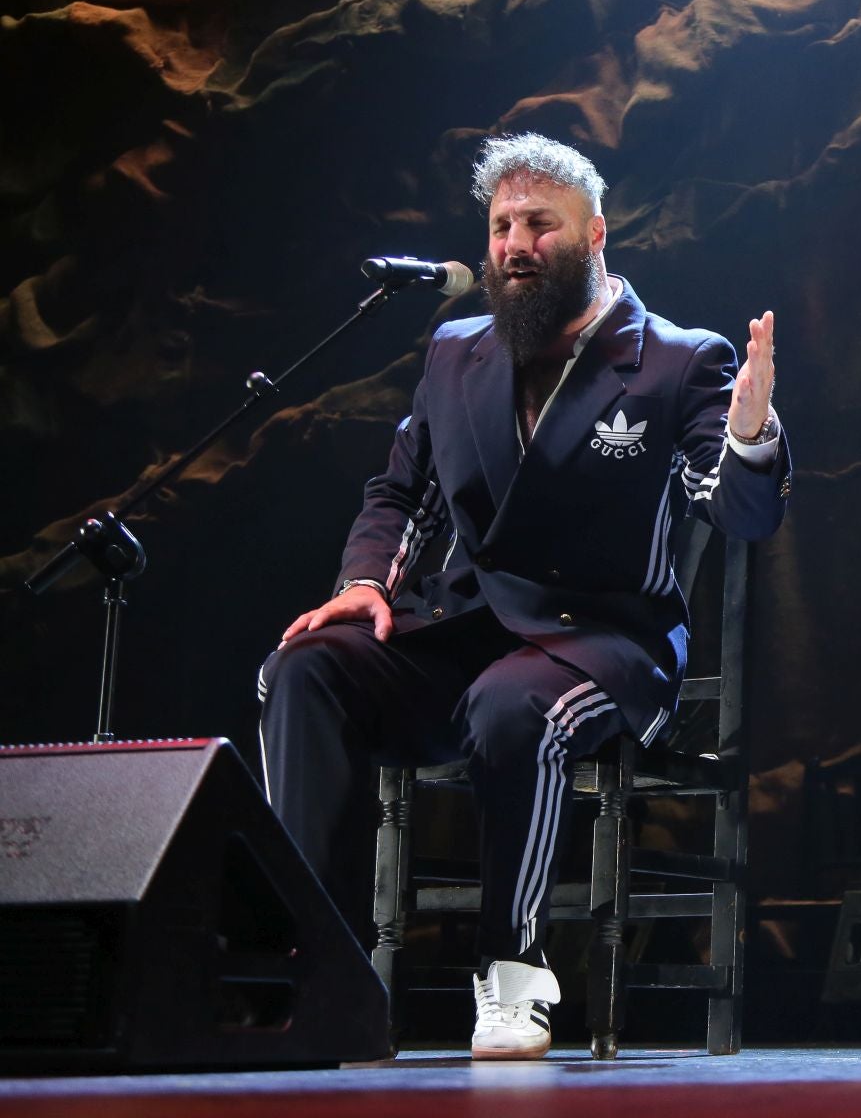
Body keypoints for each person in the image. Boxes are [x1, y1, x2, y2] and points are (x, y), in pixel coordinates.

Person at [258, 133, 791, 1060]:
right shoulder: (456, 351)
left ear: (594, 235)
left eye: (538, 224)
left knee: (514, 708)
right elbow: (400, 494)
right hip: (468, 631)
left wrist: (749, 433)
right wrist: (362, 584)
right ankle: (318, 974)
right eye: (502, 225)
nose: (513, 244)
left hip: (606, 641)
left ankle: (512, 973)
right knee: (304, 669)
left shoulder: (676, 360)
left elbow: (737, 511)